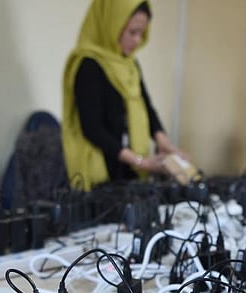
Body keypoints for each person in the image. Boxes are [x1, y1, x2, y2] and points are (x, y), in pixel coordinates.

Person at [61, 0, 189, 190]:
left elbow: (147, 107)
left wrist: (164, 143)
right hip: (101, 176)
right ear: (112, 24)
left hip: (129, 170)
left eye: (142, 33)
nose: (138, 40)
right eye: (132, 32)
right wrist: (141, 162)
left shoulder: (129, 65)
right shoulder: (88, 66)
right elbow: (92, 129)